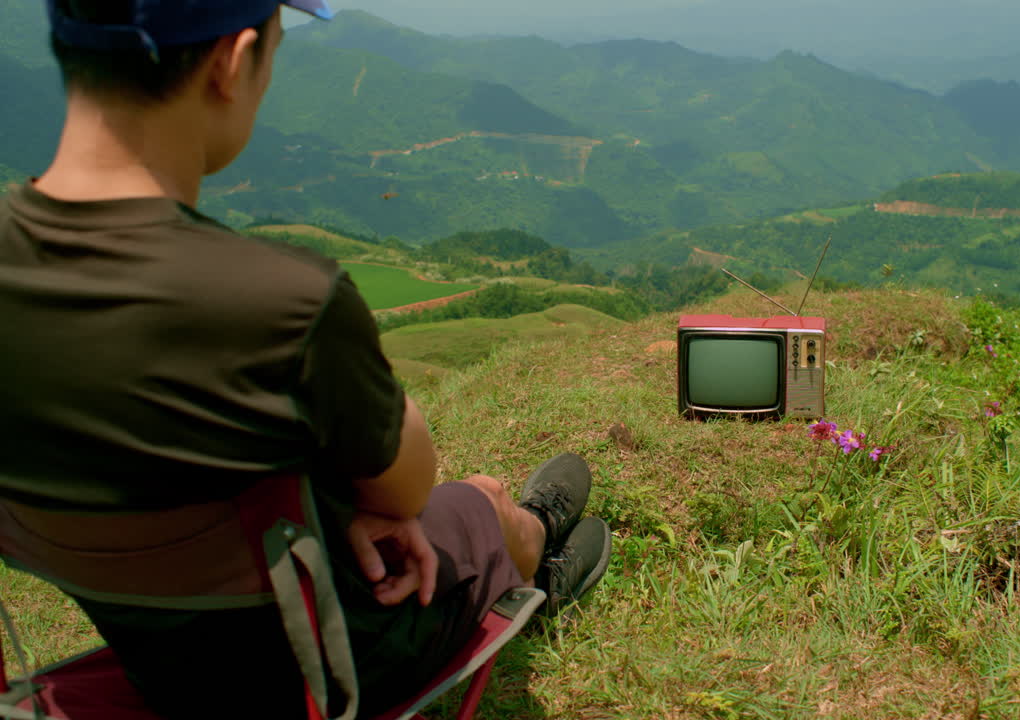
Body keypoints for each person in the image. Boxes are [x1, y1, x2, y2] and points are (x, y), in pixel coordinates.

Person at [0, 1, 612, 717]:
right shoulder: (281, 301)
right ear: (232, 63)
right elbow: (407, 488)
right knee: (480, 498)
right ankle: (532, 549)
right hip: (328, 663)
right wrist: (360, 493)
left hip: (154, 658)